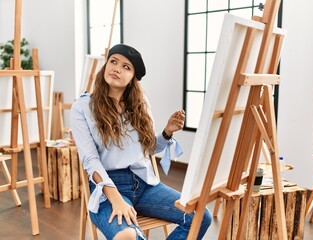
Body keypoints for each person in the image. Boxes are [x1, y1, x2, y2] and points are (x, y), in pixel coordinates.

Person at [70, 43, 212, 240]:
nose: (117, 68)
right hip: (107, 188)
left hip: (145, 184)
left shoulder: (140, 104)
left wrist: (167, 132)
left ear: (132, 79)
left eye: (126, 67)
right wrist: (117, 199)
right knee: (127, 236)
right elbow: (90, 160)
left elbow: (149, 149)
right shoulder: (82, 107)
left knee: (200, 216)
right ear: (106, 66)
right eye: (113, 61)